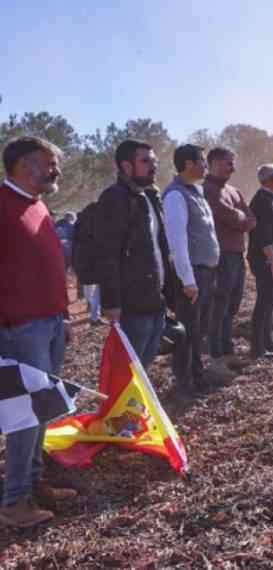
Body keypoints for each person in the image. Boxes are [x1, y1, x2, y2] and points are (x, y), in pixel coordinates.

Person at [0, 136, 76, 528]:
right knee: (24, 416)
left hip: (50, 323)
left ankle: (33, 484)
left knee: (43, 407)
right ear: (22, 165)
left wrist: (64, 316)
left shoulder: (38, 205)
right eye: (48, 163)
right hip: (19, 328)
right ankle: (14, 502)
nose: (55, 170)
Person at [95, 139, 174, 369]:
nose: (153, 166)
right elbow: (107, 254)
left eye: (154, 161)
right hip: (132, 306)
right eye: (145, 161)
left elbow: (161, 248)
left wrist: (171, 293)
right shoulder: (114, 198)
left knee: (143, 368)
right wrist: (111, 302)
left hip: (156, 300)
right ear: (127, 166)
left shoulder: (149, 197)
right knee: (127, 372)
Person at [162, 144, 221, 398]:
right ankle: (183, 384)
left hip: (206, 272)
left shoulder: (195, 192)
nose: (206, 166)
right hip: (192, 276)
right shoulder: (175, 195)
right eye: (202, 161)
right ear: (188, 164)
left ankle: (197, 376)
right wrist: (187, 280)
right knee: (187, 330)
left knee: (199, 330)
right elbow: (177, 241)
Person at [203, 147, 256, 375]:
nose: (233, 168)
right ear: (213, 163)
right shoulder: (207, 190)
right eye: (228, 163)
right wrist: (240, 218)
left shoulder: (234, 191)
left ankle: (228, 351)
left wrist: (241, 218)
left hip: (237, 255)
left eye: (233, 163)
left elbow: (250, 219)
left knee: (232, 306)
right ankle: (216, 358)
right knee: (219, 308)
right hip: (220, 257)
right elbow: (228, 216)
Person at [247, 164, 273, 359]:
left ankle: (267, 342)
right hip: (264, 260)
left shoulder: (270, 199)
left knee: (270, 301)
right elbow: (264, 237)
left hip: (270, 259)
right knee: (264, 303)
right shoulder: (262, 202)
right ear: (271, 180)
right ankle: (258, 348)